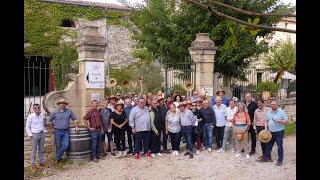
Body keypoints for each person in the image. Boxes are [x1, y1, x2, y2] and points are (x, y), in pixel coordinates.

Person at [48, 99, 79, 165]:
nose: (62, 104)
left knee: (65, 145)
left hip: (66, 132)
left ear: (65, 104)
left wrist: (76, 126)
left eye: (64, 103)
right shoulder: (55, 112)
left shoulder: (69, 111)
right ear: (59, 104)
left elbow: (75, 119)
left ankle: (57, 158)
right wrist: (51, 129)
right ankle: (59, 159)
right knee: (58, 146)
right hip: (57, 131)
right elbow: (50, 120)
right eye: (61, 103)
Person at [258, 100, 289, 166]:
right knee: (269, 146)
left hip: (279, 132)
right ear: (270, 105)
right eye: (272, 104)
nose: (273, 105)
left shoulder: (281, 112)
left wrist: (279, 121)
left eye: (274, 104)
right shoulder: (268, 112)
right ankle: (266, 158)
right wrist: (266, 129)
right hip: (270, 132)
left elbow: (286, 121)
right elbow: (265, 121)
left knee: (279, 146)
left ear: (277, 105)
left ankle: (280, 160)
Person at [26, 103, 49, 172]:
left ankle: (42, 162)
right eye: (35, 108)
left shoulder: (41, 115)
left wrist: (44, 131)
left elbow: (42, 124)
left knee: (41, 149)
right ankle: (33, 165)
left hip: (42, 134)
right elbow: (27, 127)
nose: (37, 109)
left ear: (40, 108)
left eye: (38, 107)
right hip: (34, 135)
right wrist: (31, 135)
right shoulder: (30, 117)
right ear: (33, 109)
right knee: (34, 150)